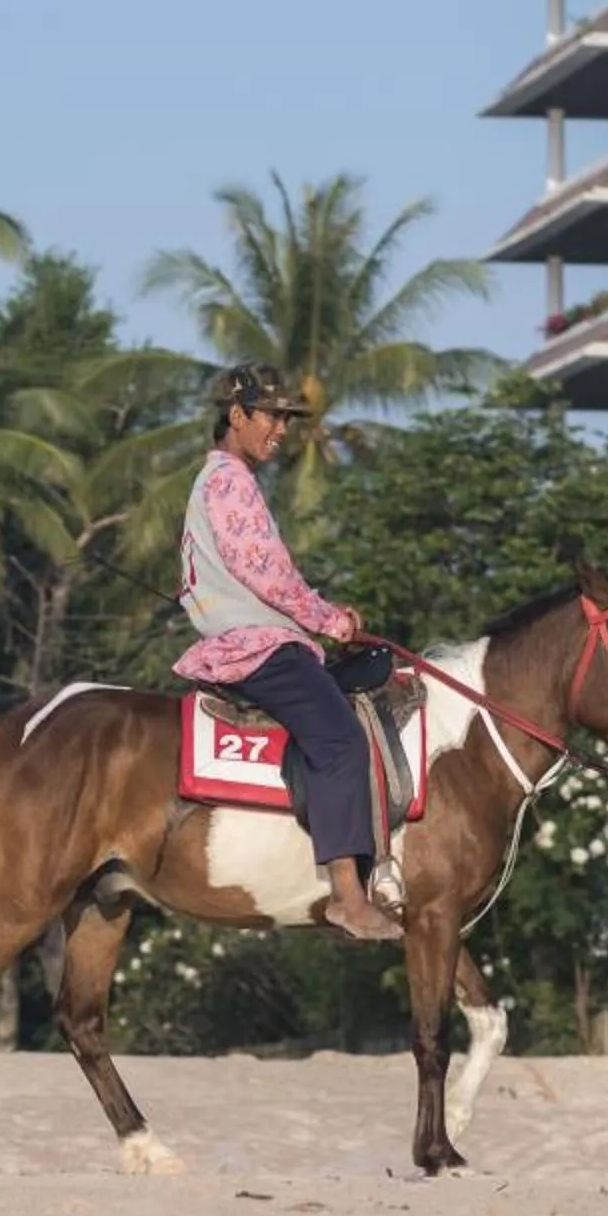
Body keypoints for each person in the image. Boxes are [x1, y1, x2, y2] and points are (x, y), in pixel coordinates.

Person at [172, 364, 403, 942]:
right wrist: (329, 619)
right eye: (271, 416)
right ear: (237, 415)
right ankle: (349, 896)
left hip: (256, 638)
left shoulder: (227, 480)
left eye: (285, 419)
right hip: (256, 647)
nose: (280, 429)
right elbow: (266, 573)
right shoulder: (229, 481)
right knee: (340, 738)